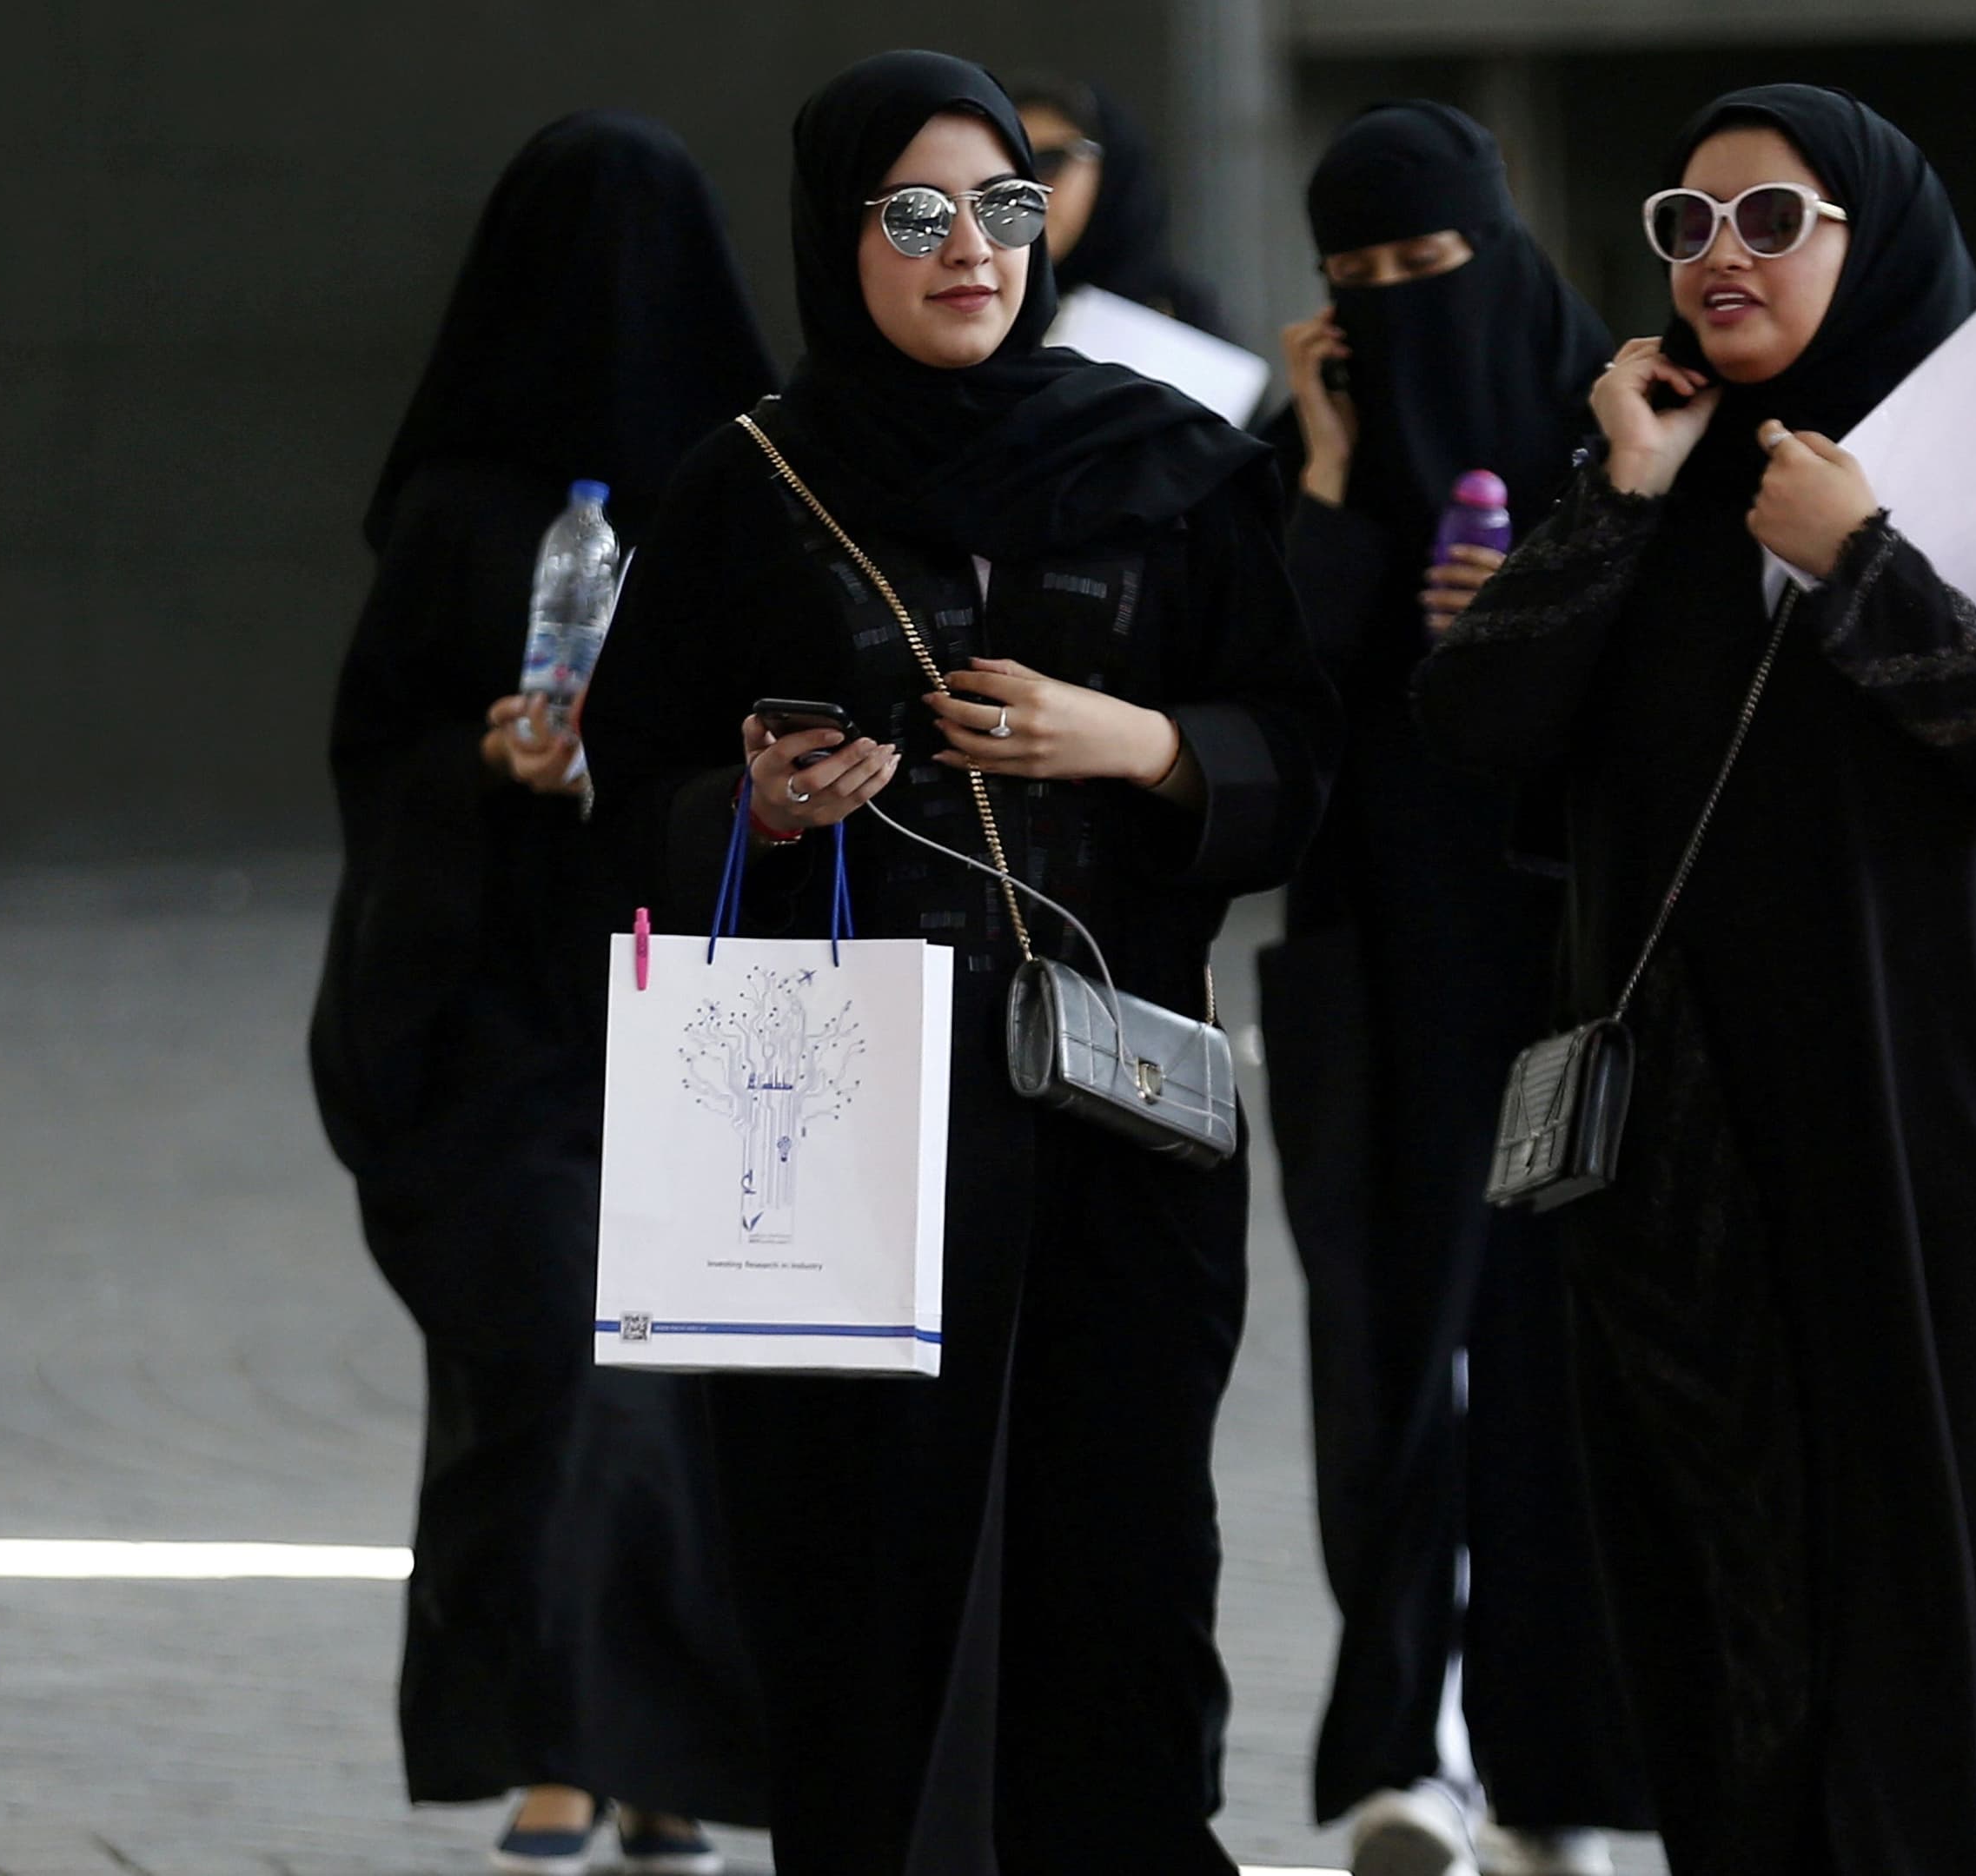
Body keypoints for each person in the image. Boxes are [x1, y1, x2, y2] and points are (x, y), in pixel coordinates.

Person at [582, 51, 1337, 1873]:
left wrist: (1138, 743)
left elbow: (1304, 762)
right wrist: (753, 809)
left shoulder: (1170, 462)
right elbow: (629, 782)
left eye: (1003, 209)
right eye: (914, 216)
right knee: (860, 1555)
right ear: (838, 237)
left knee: (1123, 1544)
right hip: (842, 1111)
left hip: (1117, 1107)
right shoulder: (747, 485)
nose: (969, 250)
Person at [1412, 84, 1976, 1875]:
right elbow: (1478, 726)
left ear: (1870, 236)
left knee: (1937, 1555)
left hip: (1947, 1133)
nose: (1717, 256)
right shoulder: (1651, 469)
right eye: (1686, 223)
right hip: (1689, 1139)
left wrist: (1861, 566)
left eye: (1768, 219)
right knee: (1721, 1563)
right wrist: (1616, 494)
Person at [308, 110, 776, 1876]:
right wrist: (486, 767)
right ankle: (555, 1744)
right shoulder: (456, 516)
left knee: (679, 1389)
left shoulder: (751, 496)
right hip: (494, 1015)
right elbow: (376, 754)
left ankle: (656, 1760)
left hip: (696, 1009)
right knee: (551, 1366)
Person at [1258, 103, 1650, 1876]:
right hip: (1385, 972)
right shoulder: (1304, 445)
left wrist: (1549, 601)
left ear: (1501, 246)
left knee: (1574, 1363)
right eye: (1359, 280)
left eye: (1432, 266)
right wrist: (1334, 468)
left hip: (1583, 968)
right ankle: (1411, 1743)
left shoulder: (1624, 424)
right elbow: (1266, 687)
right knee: (1395, 1354)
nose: (1403, 305)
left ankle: (1565, 1769)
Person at [1002, 72, 1230, 336]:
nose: (1027, 188)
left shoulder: (1182, 316)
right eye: (1010, 168)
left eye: (1049, 161)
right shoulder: (974, 307)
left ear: (1112, 169)